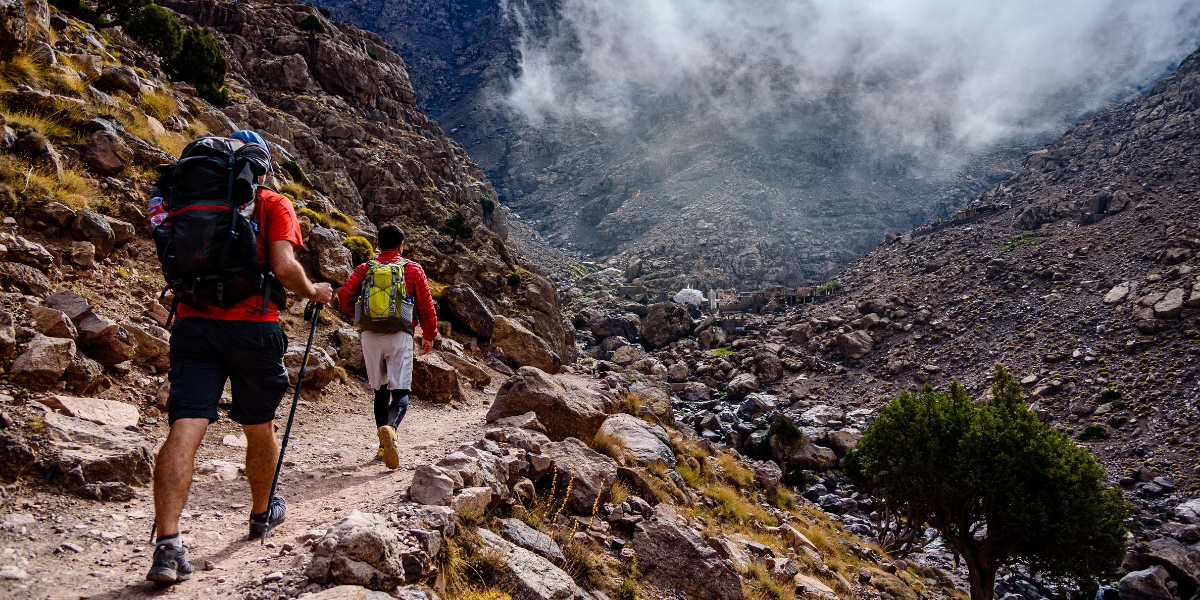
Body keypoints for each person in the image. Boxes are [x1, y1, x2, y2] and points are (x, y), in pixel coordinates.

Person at [147, 130, 333, 584]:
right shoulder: (271, 203)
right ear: (259, 166)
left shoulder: (181, 197)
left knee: (185, 424)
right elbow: (285, 267)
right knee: (258, 424)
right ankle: (261, 512)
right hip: (253, 327)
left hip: (193, 324)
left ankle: (168, 546)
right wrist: (314, 291)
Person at [336, 224, 437, 470]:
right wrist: (429, 333)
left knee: (380, 389)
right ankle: (390, 430)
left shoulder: (364, 268)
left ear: (378, 245)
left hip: (370, 335)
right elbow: (425, 303)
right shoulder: (411, 268)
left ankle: (382, 446)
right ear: (401, 246)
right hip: (400, 334)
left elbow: (343, 296)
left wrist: (360, 316)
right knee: (400, 389)